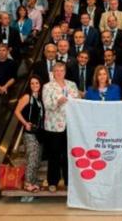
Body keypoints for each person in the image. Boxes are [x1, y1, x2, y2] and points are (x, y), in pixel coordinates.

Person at [42, 62, 79, 192]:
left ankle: (69, 182)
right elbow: (47, 105)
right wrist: (58, 102)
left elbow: (77, 102)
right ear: (53, 72)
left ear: (65, 72)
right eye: (56, 70)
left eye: (61, 70)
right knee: (54, 155)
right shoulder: (47, 86)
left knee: (69, 155)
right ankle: (53, 181)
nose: (59, 73)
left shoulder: (72, 85)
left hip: (70, 125)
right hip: (53, 126)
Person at [14, 76, 45, 192]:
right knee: (32, 157)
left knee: (37, 158)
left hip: (39, 132)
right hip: (30, 132)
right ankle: (28, 183)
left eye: (37, 83)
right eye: (32, 83)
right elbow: (17, 111)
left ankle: (33, 181)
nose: (34, 85)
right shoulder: (27, 97)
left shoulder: (40, 99)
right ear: (29, 85)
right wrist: (25, 123)